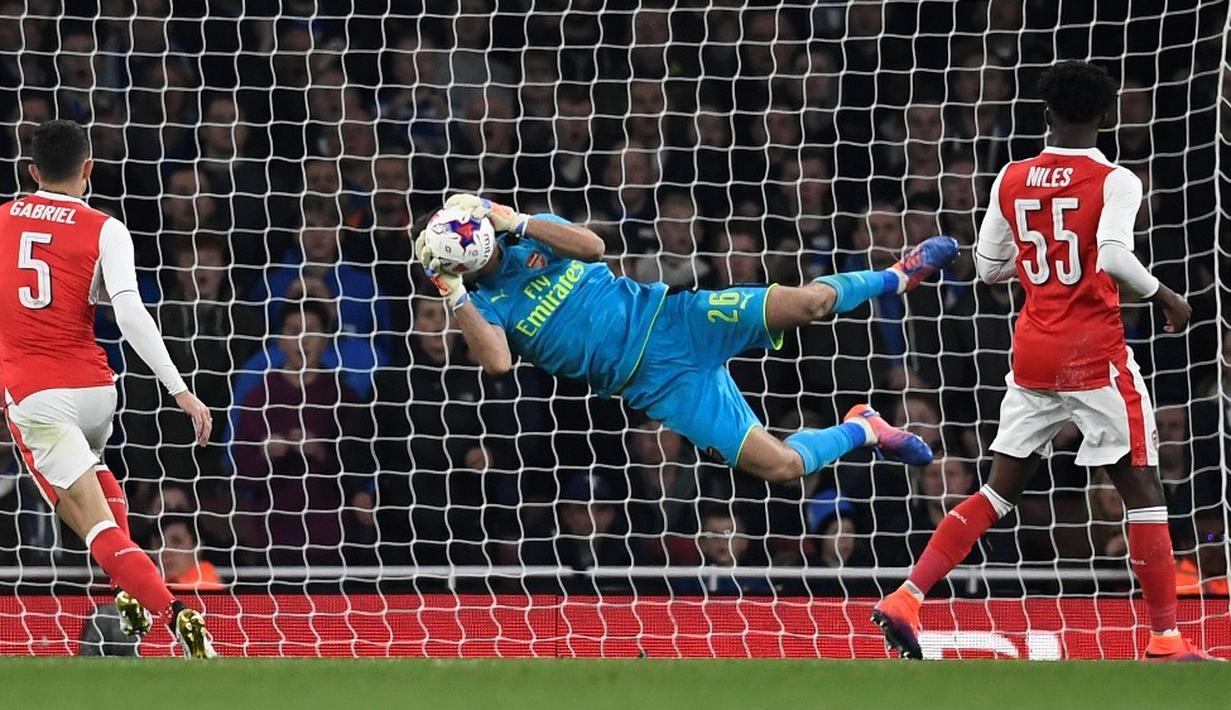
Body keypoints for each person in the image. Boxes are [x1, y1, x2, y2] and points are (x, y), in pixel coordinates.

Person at [871, 61, 1214, 662]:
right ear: (1106, 117)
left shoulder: (1011, 174)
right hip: (1093, 354)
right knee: (1144, 489)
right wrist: (1166, 294)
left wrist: (1038, 262)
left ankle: (907, 595)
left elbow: (985, 268)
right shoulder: (1116, 180)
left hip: (1032, 352)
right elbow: (1112, 256)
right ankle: (1166, 637)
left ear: (1046, 116)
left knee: (998, 491)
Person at [414, 195, 956, 490]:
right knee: (781, 467)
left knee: (808, 303)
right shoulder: (482, 302)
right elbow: (498, 363)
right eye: (469, 261)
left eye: (482, 248)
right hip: (659, 384)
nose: (484, 257)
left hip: (676, 318)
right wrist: (451, 287)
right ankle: (864, 429)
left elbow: (595, 246)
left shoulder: (528, 237)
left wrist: (519, 219)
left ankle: (899, 275)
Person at [0, 120, 216, 657]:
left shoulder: (1, 221)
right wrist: (179, 389)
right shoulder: (106, 227)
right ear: (88, 168)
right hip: (97, 390)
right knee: (95, 486)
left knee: (90, 523)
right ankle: (126, 593)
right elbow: (130, 312)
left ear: (31, 172)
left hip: (35, 396)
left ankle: (177, 615)